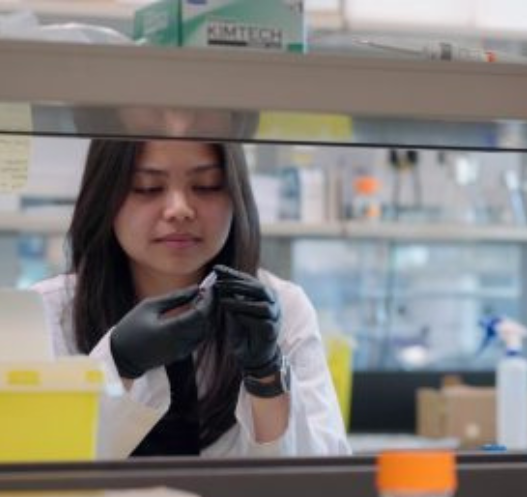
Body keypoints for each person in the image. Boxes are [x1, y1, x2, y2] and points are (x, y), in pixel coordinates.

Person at [33, 139, 350, 458]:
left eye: (206, 185)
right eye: (147, 187)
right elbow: (38, 471)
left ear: (235, 196)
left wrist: (265, 376)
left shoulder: (282, 307)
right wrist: (119, 364)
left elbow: (319, 482)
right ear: (105, 197)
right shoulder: (49, 312)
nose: (179, 209)